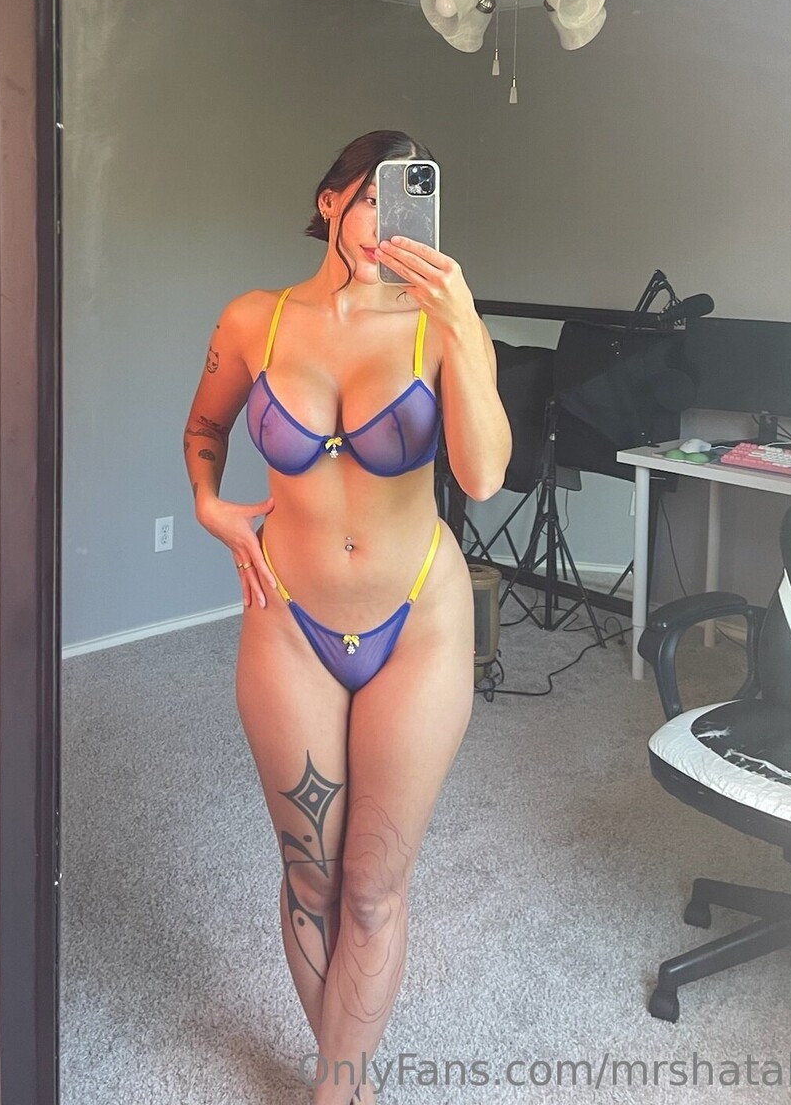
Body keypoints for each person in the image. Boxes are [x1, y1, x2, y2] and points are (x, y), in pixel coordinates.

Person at [182, 129, 512, 1105]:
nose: (384, 223)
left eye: (406, 200)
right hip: (289, 619)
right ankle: (350, 1088)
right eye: (370, 198)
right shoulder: (255, 318)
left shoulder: (440, 325)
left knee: (371, 886)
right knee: (313, 878)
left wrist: (464, 327)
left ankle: (335, 1090)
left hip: (419, 622)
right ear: (330, 201)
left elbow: (482, 477)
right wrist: (208, 504)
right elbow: (204, 426)